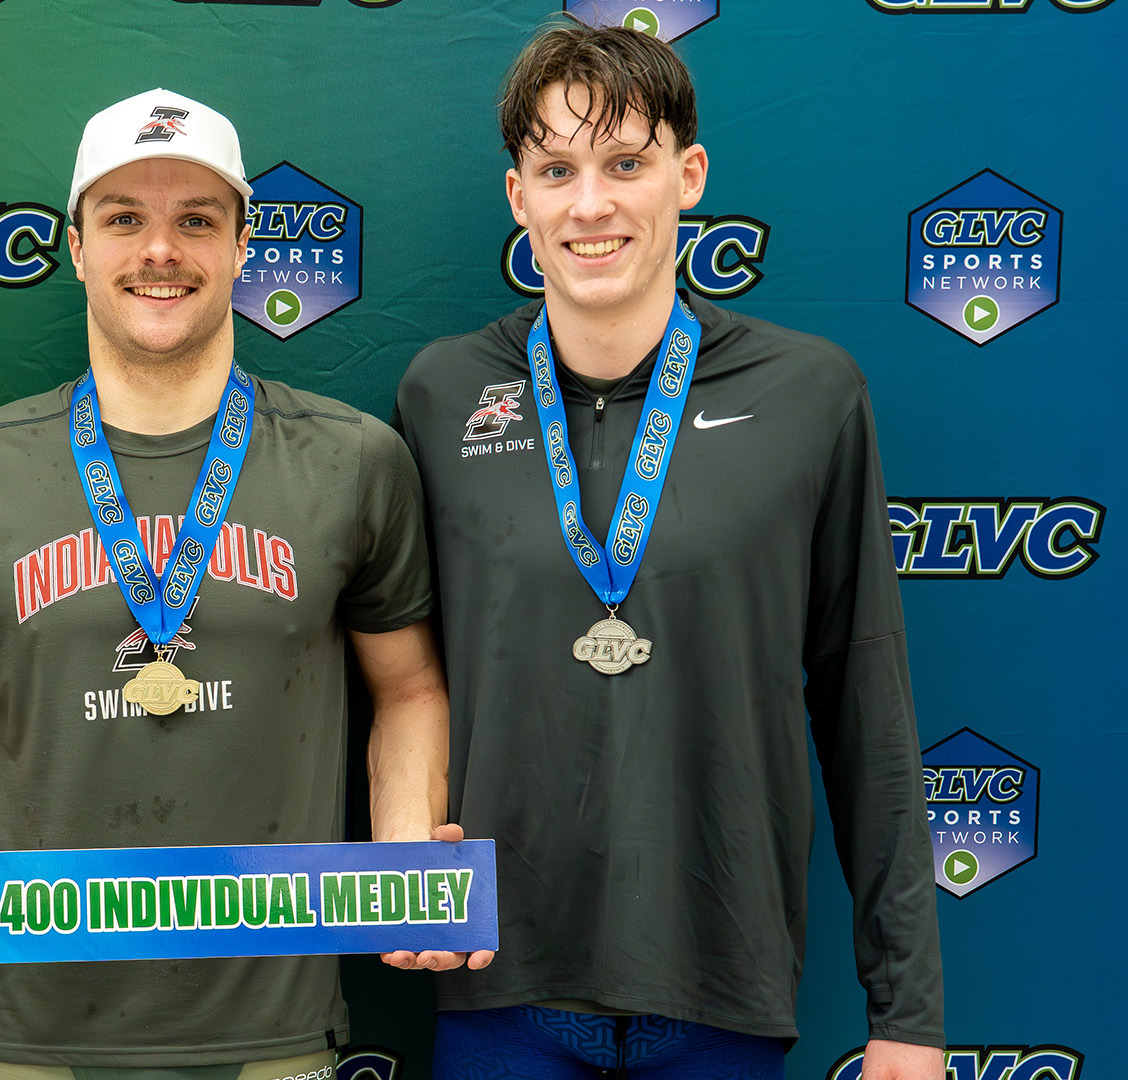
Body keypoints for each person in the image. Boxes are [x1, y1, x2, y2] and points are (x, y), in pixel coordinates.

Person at [0, 87, 486, 1078]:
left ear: (244, 246)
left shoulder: (354, 459)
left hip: (273, 1028)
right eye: (125, 219)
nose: (161, 251)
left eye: (197, 219)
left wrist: (406, 861)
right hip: (27, 1028)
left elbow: (407, 688)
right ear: (74, 246)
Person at [393, 23, 945, 1080]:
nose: (590, 204)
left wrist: (908, 1014)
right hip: (497, 989)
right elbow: (397, 686)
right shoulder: (440, 393)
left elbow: (864, 704)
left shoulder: (809, 393)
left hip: (721, 993)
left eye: (626, 164)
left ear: (687, 176)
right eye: (556, 168)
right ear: (519, 197)